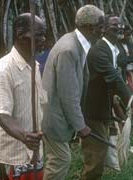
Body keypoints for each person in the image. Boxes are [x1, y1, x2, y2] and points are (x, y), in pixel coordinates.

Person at [82, 15, 133, 180]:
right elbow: (113, 76)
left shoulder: (115, 50)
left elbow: (117, 78)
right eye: (114, 25)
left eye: (121, 24)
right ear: (104, 29)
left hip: (105, 107)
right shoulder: (99, 51)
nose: (120, 27)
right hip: (92, 110)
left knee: (101, 153)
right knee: (95, 158)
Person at [41, 5, 104, 180]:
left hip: (58, 116)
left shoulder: (76, 44)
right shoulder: (69, 50)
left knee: (58, 160)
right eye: (101, 26)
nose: (103, 30)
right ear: (90, 27)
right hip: (55, 118)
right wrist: (80, 126)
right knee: (60, 160)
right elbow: (69, 95)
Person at [0, 13, 47, 179]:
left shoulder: (34, 66)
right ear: (20, 35)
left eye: (43, 34)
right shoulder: (3, 70)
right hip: (10, 157)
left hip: (31, 154)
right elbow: (1, 114)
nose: (44, 39)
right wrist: (24, 136)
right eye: (39, 35)